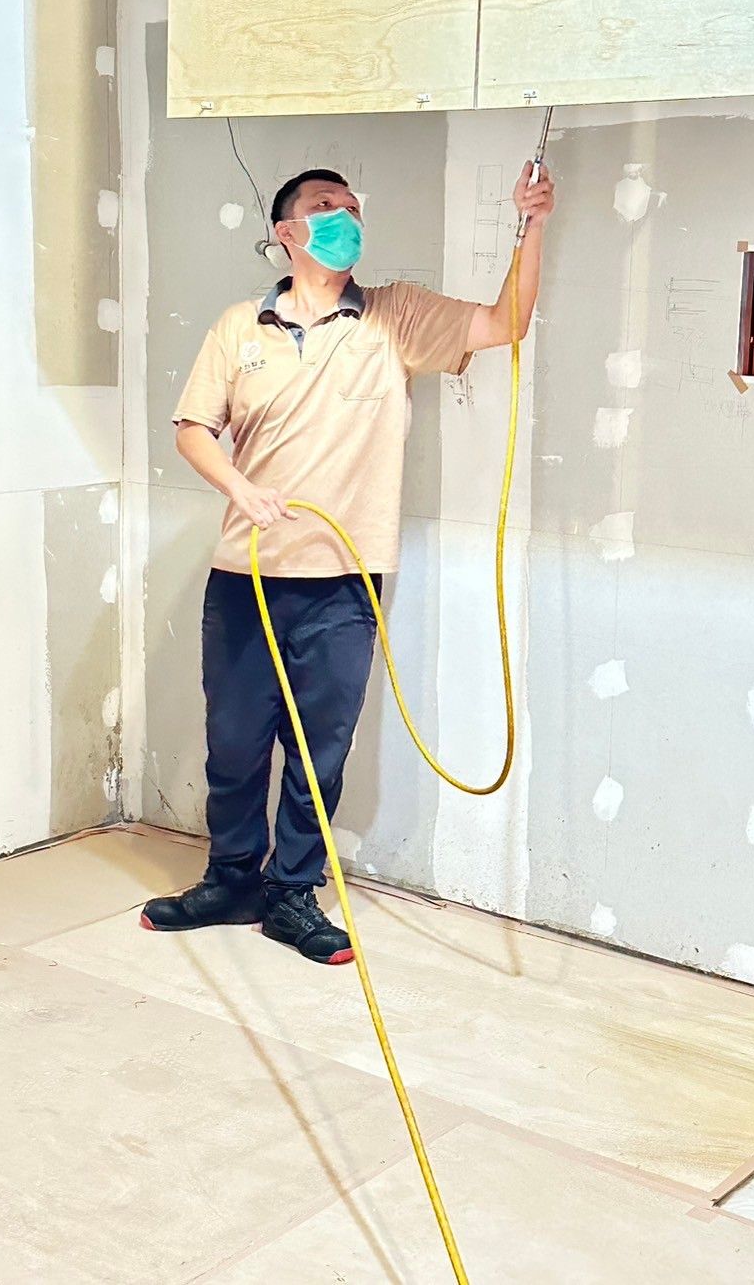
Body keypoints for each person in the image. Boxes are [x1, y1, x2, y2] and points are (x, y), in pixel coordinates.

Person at [141, 161, 555, 962]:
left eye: (353, 208)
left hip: (341, 585)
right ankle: (231, 879)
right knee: (232, 742)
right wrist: (239, 485)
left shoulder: (394, 317)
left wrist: (530, 224)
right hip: (245, 580)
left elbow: (507, 321)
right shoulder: (239, 327)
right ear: (287, 233)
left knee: (316, 752)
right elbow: (193, 426)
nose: (346, 219)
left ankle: (292, 893)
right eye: (326, 208)